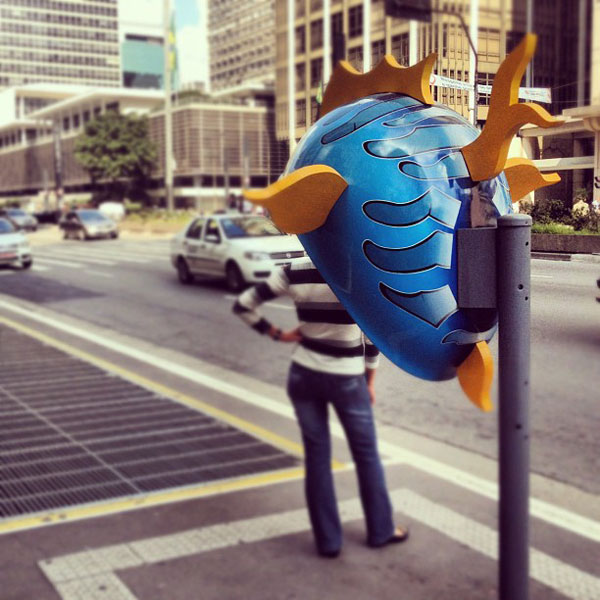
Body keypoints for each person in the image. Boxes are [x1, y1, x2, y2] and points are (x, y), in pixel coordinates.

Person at [233, 259, 409, 558]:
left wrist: (277, 334)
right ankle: (380, 530)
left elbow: (243, 305)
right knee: (366, 455)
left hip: (303, 374)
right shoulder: (359, 270)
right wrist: (369, 380)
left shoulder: (292, 271)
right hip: (347, 379)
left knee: (317, 457)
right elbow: (372, 336)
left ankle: (328, 542)